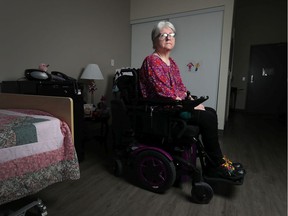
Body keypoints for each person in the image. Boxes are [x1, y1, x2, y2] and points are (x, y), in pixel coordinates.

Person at [139, 20, 245, 181]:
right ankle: (216, 165)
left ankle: (214, 163)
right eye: (164, 35)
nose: (169, 38)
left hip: (175, 106)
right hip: (163, 111)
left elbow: (181, 87)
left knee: (210, 111)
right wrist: (188, 104)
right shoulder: (151, 60)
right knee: (208, 117)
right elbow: (163, 92)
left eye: (172, 35)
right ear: (154, 40)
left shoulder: (172, 63)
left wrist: (191, 100)